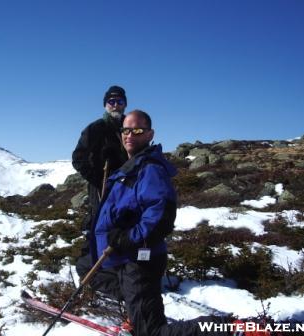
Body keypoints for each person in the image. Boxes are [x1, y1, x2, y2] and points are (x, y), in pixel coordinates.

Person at [87, 110, 232, 336]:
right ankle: (137, 310)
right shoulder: (132, 166)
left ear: (149, 134)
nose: (129, 135)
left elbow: (161, 218)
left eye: (137, 130)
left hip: (138, 259)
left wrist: (127, 237)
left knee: (151, 333)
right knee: (89, 269)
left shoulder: (150, 169)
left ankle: (225, 328)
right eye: (125, 130)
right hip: (121, 255)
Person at [72, 85, 129, 254]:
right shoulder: (95, 128)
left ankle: (122, 260)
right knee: (100, 223)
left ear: (125, 104)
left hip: (128, 184)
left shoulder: (129, 127)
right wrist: (96, 177)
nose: (115, 105)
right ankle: (93, 262)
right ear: (105, 105)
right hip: (101, 185)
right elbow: (78, 158)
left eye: (119, 101)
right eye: (111, 101)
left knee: (125, 222)